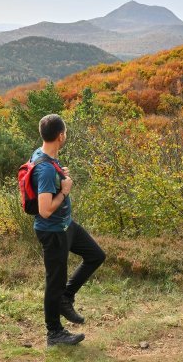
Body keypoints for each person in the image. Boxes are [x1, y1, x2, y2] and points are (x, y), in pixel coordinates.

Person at [32, 113, 106, 347]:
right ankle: (54, 333)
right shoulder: (44, 168)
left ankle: (66, 297)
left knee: (95, 255)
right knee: (54, 281)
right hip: (52, 231)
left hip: (66, 226)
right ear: (61, 136)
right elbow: (44, 210)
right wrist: (64, 190)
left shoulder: (43, 155)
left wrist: (59, 174)